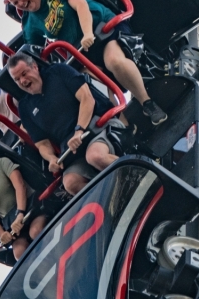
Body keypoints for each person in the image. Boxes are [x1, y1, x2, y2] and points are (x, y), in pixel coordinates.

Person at [4, 0, 168, 127]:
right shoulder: (30, 22)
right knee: (92, 85)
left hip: (101, 29)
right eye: (15, 2)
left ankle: (147, 103)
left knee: (114, 61)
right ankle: (123, 127)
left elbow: (80, 3)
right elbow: (32, 55)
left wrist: (87, 32)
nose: (20, 3)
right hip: (82, 52)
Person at [7, 51, 120, 195]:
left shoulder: (58, 71)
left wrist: (79, 131)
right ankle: (112, 199)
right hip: (73, 150)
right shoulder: (25, 107)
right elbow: (42, 143)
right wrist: (51, 158)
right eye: (17, 79)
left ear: (34, 67)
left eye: (24, 73)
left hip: (97, 126)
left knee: (95, 156)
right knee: (70, 183)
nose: (22, 81)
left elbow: (87, 99)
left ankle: (140, 174)